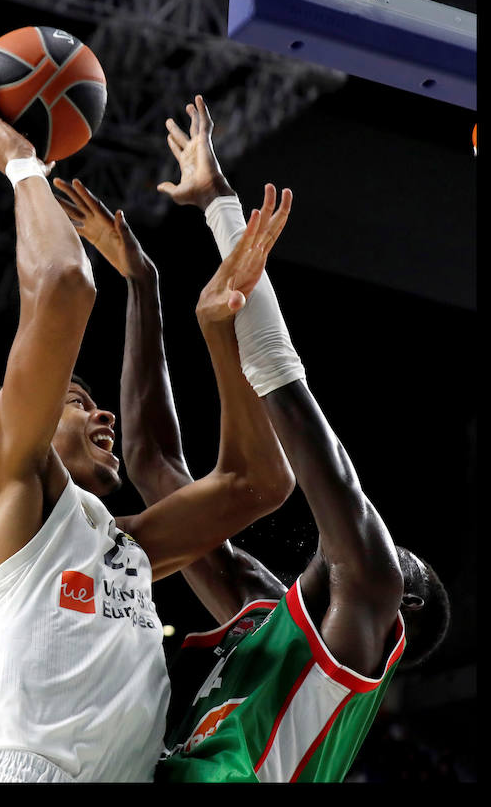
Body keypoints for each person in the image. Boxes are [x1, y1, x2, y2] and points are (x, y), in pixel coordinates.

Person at [0, 68, 297, 784]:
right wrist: (19, 160)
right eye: (72, 400)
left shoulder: (123, 549)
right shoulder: (2, 489)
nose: (98, 411)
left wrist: (191, 315)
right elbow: (64, 285)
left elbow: (258, 481)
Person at [82, 93, 450, 783]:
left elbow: (332, 479)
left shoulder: (362, 598)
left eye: (398, 562)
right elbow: (155, 466)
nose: (382, 545)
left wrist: (227, 215)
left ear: (394, 616)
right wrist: (141, 283)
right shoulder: (261, 616)